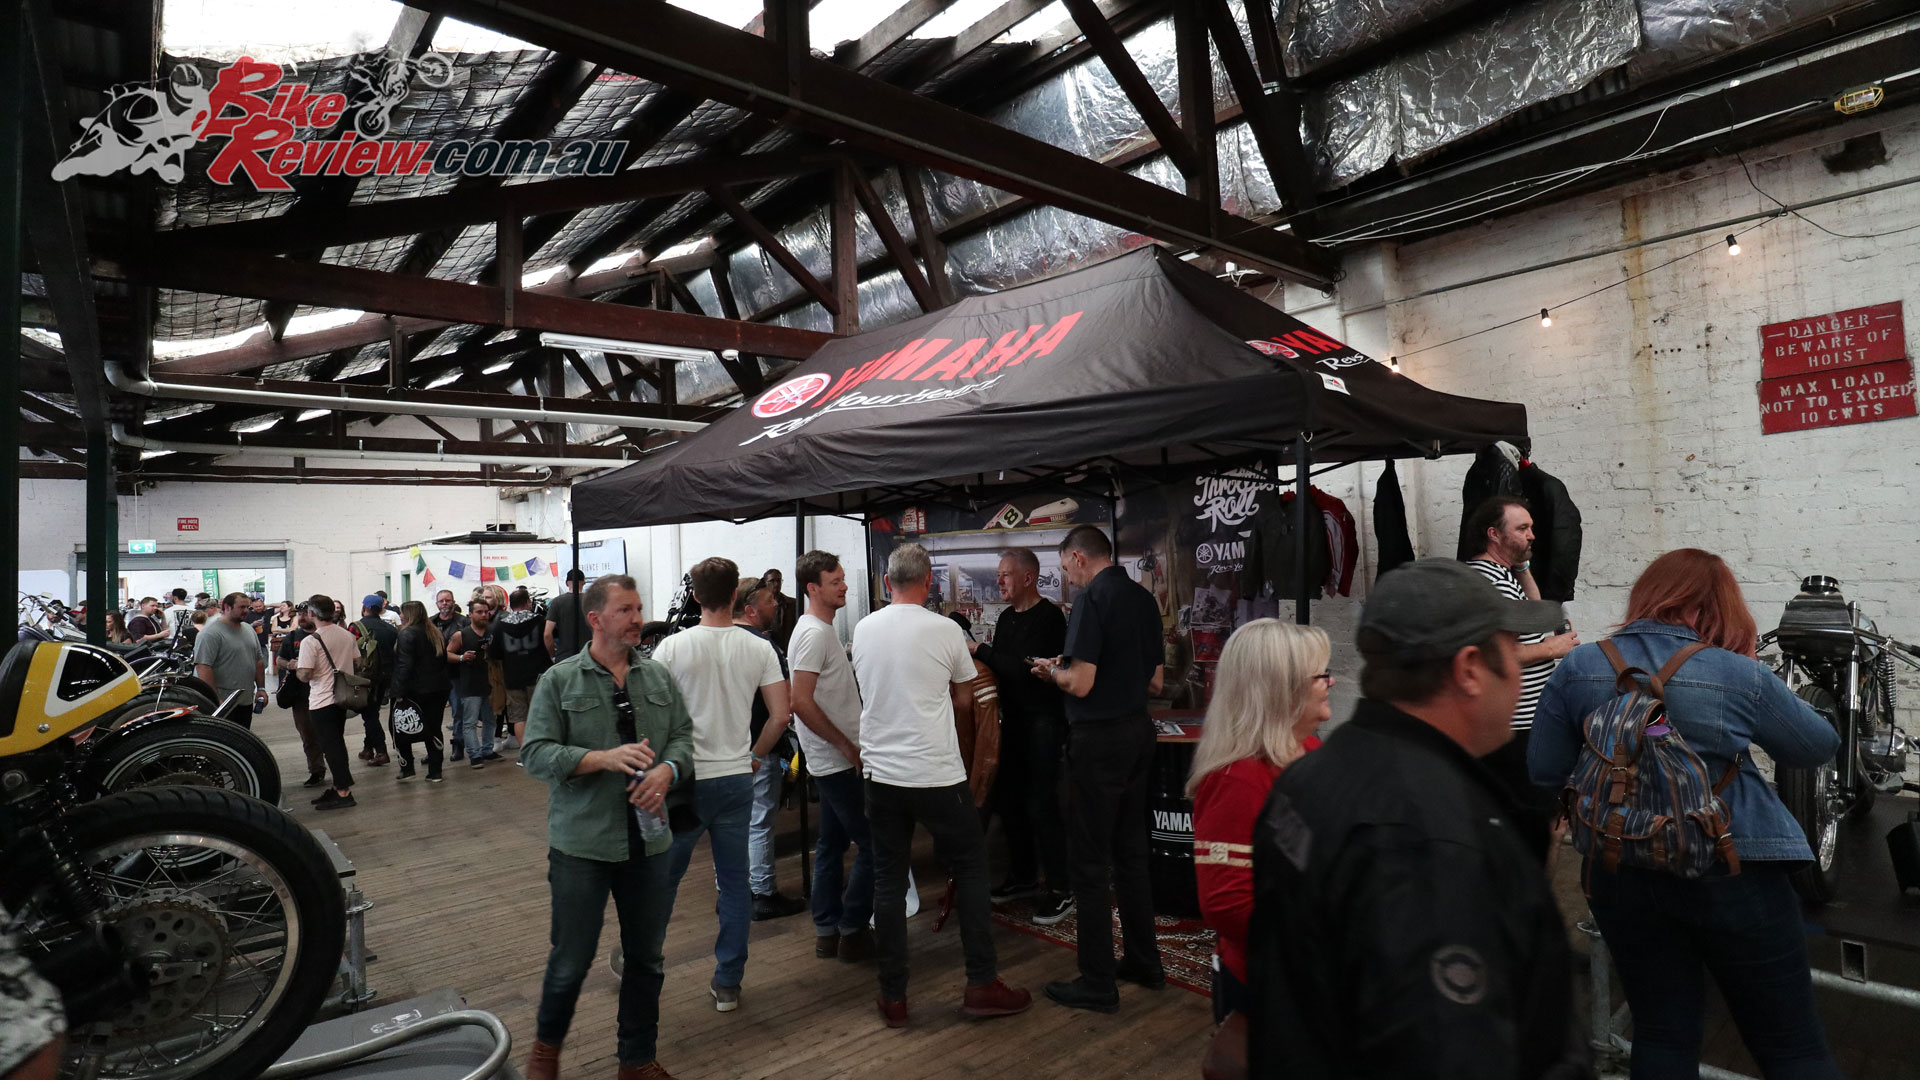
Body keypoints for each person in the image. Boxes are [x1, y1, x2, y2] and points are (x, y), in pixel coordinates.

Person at [1248, 558, 1581, 1079]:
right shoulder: (1429, 841)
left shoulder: (1312, 776)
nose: (1521, 674)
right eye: (1512, 651)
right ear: (1470, 669)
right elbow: (1449, 1054)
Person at [1529, 549, 1844, 1078]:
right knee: (1792, 1047)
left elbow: (1544, 770)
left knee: (1661, 1031)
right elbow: (1816, 747)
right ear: (1714, 607)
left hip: (1619, 864)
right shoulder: (1737, 673)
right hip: (1733, 863)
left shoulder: (1579, 666)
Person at [521, 573, 694, 1080]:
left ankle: (636, 1060)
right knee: (571, 960)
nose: (638, 618)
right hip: (583, 844)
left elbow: (683, 737)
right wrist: (601, 758)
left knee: (647, 959)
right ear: (595, 619)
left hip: (650, 841)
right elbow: (536, 753)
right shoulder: (559, 681)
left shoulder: (657, 677)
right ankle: (545, 1053)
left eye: (639, 608)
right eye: (626, 610)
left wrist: (668, 770)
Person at [851, 542, 1031, 1028]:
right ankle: (981, 983)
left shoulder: (864, 629)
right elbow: (965, 701)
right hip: (935, 771)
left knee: (889, 880)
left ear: (887, 582)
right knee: (971, 868)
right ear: (929, 582)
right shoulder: (946, 630)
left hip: (881, 773)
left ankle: (893, 996)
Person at [1030, 525, 1166, 1012]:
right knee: (1131, 855)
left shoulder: (1092, 599)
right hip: (1137, 733)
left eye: (1065, 566)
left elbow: (1082, 683)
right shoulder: (1143, 598)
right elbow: (1155, 682)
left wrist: (1052, 672)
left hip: (1099, 740)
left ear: (1078, 558)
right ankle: (1145, 962)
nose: (1066, 575)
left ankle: (1097, 981)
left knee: (1088, 863)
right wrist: (1074, 665)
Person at [648, 557, 792, 1013]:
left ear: (694, 596)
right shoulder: (760, 648)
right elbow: (781, 716)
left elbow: (653, 718)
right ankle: (728, 981)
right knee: (734, 885)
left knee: (663, 882)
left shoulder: (671, 648)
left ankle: (643, 964)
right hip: (736, 779)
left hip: (686, 780)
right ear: (735, 595)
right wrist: (755, 756)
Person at [1185, 619, 1330, 1025]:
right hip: (1271, 982)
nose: (1330, 683)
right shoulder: (1237, 779)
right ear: (1281, 688)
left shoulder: (1308, 748)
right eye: (1321, 675)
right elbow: (1226, 905)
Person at [1462, 495, 1580, 858]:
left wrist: (1523, 567)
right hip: (1516, 726)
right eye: (1522, 528)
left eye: (1531, 527)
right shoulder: (1491, 582)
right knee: (1538, 827)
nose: (1532, 535)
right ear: (1494, 534)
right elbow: (1494, 655)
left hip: (1525, 722)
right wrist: (1551, 648)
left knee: (1544, 822)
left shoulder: (1502, 575)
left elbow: (1534, 615)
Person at [970, 547, 1072, 923]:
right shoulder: (1006, 618)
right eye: (998, 574)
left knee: (1040, 804)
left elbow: (1024, 670)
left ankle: (1061, 889)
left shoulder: (1050, 618)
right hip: (1011, 722)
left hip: (1043, 723)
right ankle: (1024, 876)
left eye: (1006, 574)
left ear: (1028, 578)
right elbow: (1004, 668)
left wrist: (980, 649)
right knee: (1008, 800)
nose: (999, 581)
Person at [787, 550, 873, 962]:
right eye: (835, 581)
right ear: (813, 588)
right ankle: (852, 929)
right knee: (875, 845)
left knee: (831, 844)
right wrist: (845, 745)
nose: (844, 586)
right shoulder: (813, 634)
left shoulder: (820, 631)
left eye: (842, 579)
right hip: (837, 761)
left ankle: (827, 930)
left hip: (836, 758)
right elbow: (800, 701)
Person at [733, 577, 806, 920]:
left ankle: (733, 888)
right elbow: (783, 708)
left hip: (726, 750)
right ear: (750, 610)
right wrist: (760, 753)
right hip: (759, 747)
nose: (776, 604)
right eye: (768, 600)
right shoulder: (764, 647)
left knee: (733, 823)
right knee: (760, 820)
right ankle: (762, 892)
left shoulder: (716, 640)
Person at [296, 593, 363, 811]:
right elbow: (358, 662)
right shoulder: (347, 635)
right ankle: (338, 787)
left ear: (311, 613)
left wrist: (295, 667)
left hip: (322, 700)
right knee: (336, 743)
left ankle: (344, 792)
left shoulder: (310, 641)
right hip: (342, 697)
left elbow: (305, 675)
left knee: (331, 747)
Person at [390, 600, 452, 782]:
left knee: (401, 727)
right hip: (438, 688)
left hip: (414, 690)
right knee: (434, 729)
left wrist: (398, 692)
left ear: (409, 614)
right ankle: (435, 771)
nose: (400, 616)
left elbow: (404, 666)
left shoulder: (406, 634)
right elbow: (443, 661)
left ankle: (407, 767)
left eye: (402, 613)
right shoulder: (435, 633)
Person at [488, 586, 551, 757]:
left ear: (511, 604)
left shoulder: (500, 625)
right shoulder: (539, 620)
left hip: (513, 677)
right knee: (540, 713)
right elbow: (549, 639)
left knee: (519, 717)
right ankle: (542, 748)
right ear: (528, 603)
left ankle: (526, 753)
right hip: (537, 675)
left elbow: (494, 653)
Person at [193, 592, 268, 726]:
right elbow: (203, 667)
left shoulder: (249, 629)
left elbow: (258, 660)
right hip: (222, 703)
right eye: (242, 607)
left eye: (247, 607)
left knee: (242, 736)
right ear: (227, 607)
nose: (246, 611)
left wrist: (261, 688)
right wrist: (215, 698)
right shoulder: (210, 633)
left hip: (245, 699)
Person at [276, 605, 326, 787]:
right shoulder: (292, 637)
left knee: (330, 734)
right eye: (299, 614)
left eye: (305, 614)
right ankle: (316, 770)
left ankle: (338, 770)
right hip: (300, 696)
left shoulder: (325, 635)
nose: (302, 617)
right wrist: (290, 664)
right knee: (308, 734)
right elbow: (279, 660)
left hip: (326, 692)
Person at [446, 600, 499, 769]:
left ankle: (487, 750)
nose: (484, 615)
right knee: (470, 722)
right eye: (479, 612)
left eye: (486, 612)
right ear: (470, 615)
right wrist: (462, 657)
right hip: (470, 684)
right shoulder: (461, 635)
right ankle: (475, 755)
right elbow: (447, 654)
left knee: (490, 720)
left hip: (491, 683)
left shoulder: (493, 632)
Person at [351, 596, 397, 768]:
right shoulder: (391, 629)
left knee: (369, 715)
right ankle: (367, 748)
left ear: (364, 608)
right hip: (386, 678)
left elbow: (351, 651)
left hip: (365, 677)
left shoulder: (356, 627)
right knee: (372, 712)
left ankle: (381, 752)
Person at [430, 590, 470, 759]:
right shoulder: (430, 623)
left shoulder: (464, 622)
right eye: (441, 601)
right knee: (433, 713)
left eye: (447, 600)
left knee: (458, 710)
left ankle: (458, 744)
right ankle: (433, 749)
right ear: (437, 603)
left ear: (453, 602)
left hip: (457, 673)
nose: (445, 603)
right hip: (435, 674)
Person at [545, 569, 589, 662]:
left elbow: (547, 634)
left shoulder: (557, 602)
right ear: (583, 582)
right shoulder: (592, 601)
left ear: (566, 583)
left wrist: (552, 655)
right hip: (589, 657)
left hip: (565, 658)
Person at [761, 568, 798, 653]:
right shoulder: (759, 606)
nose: (776, 584)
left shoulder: (793, 604)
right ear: (765, 583)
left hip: (789, 650)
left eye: (778, 580)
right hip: (766, 650)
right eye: (772, 581)